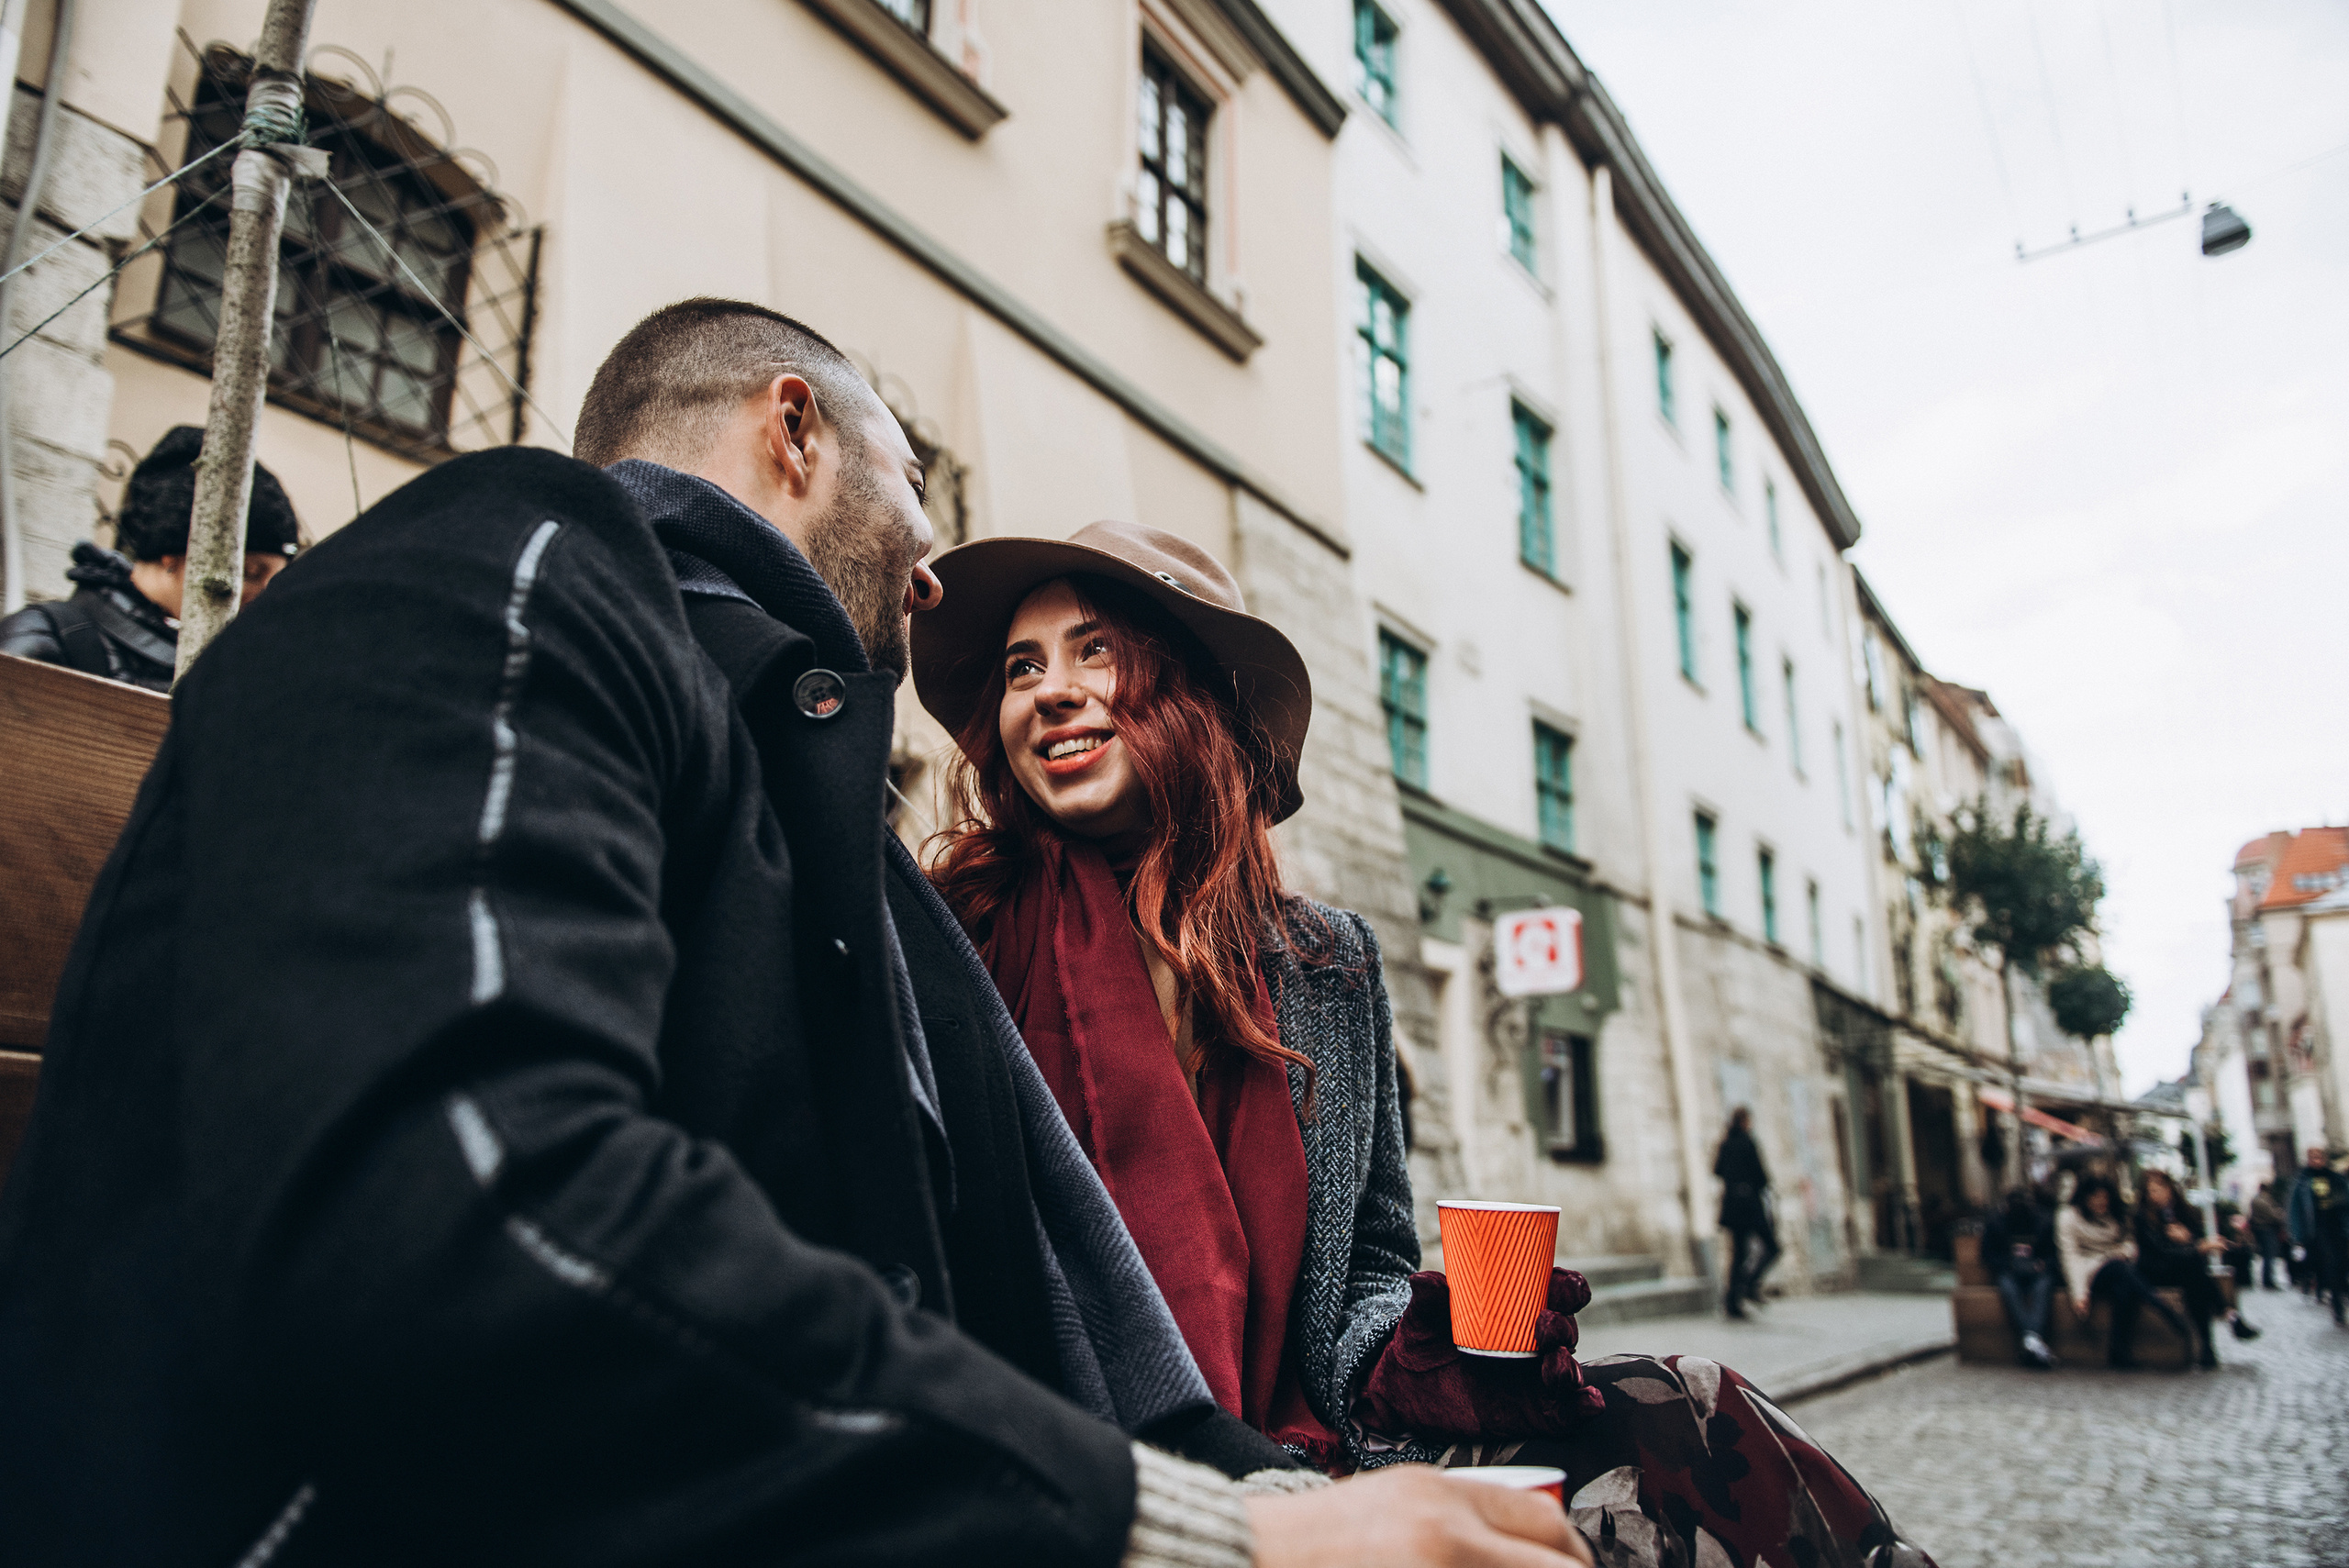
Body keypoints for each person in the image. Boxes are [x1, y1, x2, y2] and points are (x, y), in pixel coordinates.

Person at [0, 301, 1588, 1568]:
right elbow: (475, 1206)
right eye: (918, 495)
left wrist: (1306, 1495)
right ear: (795, 429)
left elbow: (1076, 1325)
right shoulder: (516, 554)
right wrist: (1221, 1534)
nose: (932, 573)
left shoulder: (834, 843)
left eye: (1100, 653)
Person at [911, 527, 1940, 1568]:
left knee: (1696, 1403)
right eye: (1022, 667)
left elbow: (1369, 1259)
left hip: (1321, 1437)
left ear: (1191, 692)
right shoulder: (953, 937)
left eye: (1095, 651)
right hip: (1103, 1471)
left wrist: (1428, 1351)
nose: (1050, 690)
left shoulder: (1325, 962)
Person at [0, 425, 299, 690]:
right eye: (249, 572)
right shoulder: (48, 637)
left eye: (276, 579)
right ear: (171, 555)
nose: (264, 596)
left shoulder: (240, 668)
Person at [2056, 1174, 2195, 1369]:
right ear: (2084, 1197)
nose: (2100, 1202)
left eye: (2104, 1197)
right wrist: (2079, 1294)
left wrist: (2125, 1252)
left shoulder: (2117, 1215)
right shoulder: (2068, 1217)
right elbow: (2070, 1257)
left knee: (2125, 1288)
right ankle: (2162, 1308)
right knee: (2120, 1270)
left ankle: (2119, 1352)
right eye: (2095, 1197)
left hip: (2118, 1266)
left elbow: (2130, 1243)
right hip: (2087, 1271)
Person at [2131, 1169, 2257, 1369]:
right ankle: (2228, 1319)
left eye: (2160, 1189)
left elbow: (2195, 1239)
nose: (2156, 1195)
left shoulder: (2179, 1211)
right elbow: (2161, 1252)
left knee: (2195, 1278)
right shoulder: (2142, 1217)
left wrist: (2189, 1239)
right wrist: (2196, 1246)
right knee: (2195, 1270)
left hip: (2181, 1269)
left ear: (2170, 1189)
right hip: (2154, 1271)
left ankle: (2210, 1345)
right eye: (2151, 1191)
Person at [1712, 1107, 1781, 1318]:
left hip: (1733, 1207)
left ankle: (1733, 1300)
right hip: (1750, 1206)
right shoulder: (1748, 1142)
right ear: (1744, 1121)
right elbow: (1761, 1177)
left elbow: (1717, 1170)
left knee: (1739, 1254)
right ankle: (1749, 1284)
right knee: (1772, 1247)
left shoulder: (1726, 1143)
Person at [1982, 1187, 2059, 1367]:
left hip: (2039, 1272)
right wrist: (2008, 1264)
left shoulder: (2044, 1221)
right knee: (2009, 1289)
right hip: (2009, 1272)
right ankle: (2035, 1341)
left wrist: (2042, 1264)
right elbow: (1987, 1255)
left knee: (2042, 1288)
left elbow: (2055, 1254)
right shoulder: (1995, 1222)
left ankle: (2029, 1340)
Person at [2287, 1146, 2349, 1324]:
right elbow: (2295, 1212)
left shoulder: (2336, 1179)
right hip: (2318, 1231)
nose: (2316, 1161)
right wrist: (2298, 1237)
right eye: (2312, 1157)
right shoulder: (2303, 1182)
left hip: (2339, 1228)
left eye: (2319, 1157)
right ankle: (2337, 1306)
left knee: (2342, 1265)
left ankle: (2339, 1295)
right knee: (2330, 1266)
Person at [2248, 1180, 2288, 1291]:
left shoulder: (2256, 1199)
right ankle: (2268, 1281)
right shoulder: (2263, 1200)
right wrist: (2281, 1214)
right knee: (2269, 1255)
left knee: (2267, 1255)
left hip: (2261, 1230)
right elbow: (2273, 1215)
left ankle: (2267, 1280)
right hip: (2266, 1230)